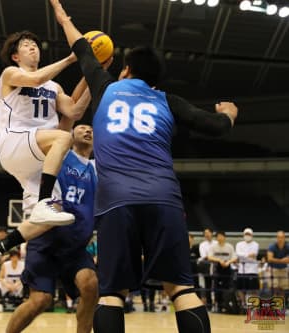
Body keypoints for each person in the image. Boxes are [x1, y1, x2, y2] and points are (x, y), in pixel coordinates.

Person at [48, 1, 238, 332]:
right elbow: (216, 126)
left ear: (126, 71)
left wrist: (63, 17)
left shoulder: (105, 88)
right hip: (163, 200)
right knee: (181, 289)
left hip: (115, 202)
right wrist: (230, 113)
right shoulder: (167, 100)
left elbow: (81, 48)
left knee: (111, 294)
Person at [0, 31, 95, 283]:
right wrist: (71, 59)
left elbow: (74, 109)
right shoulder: (10, 75)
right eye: (26, 45)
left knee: (47, 220)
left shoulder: (54, 87)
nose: (33, 48)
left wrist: (93, 71)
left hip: (38, 160)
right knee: (63, 137)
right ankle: (43, 201)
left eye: (35, 44)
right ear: (16, 56)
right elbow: (37, 79)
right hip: (15, 142)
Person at [5, 124, 98, 333]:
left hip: (74, 247)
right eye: (82, 127)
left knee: (90, 285)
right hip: (46, 240)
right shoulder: (61, 155)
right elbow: (64, 123)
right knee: (40, 300)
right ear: (71, 135)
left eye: (92, 129)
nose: (88, 130)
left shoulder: (96, 169)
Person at [207, 231, 237, 313]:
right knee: (217, 288)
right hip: (217, 269)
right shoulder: (213, 247)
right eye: (218, 236)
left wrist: (228, 262)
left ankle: (226, 306)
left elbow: (234, 257)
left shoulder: (229, 247)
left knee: (227, 287)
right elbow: (209, 257)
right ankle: (218, 306)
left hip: (227, 269)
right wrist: (219, 260)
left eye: (221, 236)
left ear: (224, 237)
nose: (220, 238)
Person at [235, 228, 259, 308]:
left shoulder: (256, 244)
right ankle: (243, 304)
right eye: (246, 234)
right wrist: (247, 255)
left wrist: (243, 255)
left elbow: (254, 254)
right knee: (240, 288)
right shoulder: (239, 244)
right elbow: (238, 254)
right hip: (241, 270)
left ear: (252, 235)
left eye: (249, 234)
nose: (247, 236)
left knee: (254, 289)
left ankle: (253, 305)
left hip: (253, 270)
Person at [267, 230, 289, 303]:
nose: (280, 239)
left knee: (283, 288)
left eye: (282, 237)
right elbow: (269, 259)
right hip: (274, 269)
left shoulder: (287, 246)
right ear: (276, 238)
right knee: (274, 288)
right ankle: (274, 304)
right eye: (278, 237)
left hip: (284, 269)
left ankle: (281, 304)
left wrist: (285, 260)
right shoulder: (272, 246)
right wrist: (282, 261)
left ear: (284, 238)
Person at [198, 228, 217, 309]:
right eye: (205, 233)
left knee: (217, 285)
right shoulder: (202, 244)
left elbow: (217, 255)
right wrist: (212, 257)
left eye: (208, 232)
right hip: (206, 266)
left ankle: (218, 304)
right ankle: (209, 305)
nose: (207, 234)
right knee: (208, 286)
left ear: (212, 234)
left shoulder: (216, 243)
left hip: (216, 266)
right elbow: (204, 256)